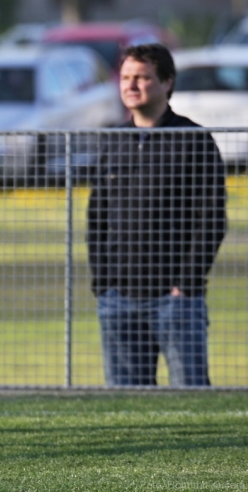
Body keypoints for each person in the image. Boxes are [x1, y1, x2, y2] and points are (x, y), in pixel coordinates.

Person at [87, 43, 227, 387]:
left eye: (143, 77)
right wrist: (103, 285)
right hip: (119, 299)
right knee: (127, 409)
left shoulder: (192, 139)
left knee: (190, 401)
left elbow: (211, 220)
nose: (131, 85)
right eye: (126, 77)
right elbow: (96, 218)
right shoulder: (113, 140)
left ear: (167, 82)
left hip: (176, 300)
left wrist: (186, 285)